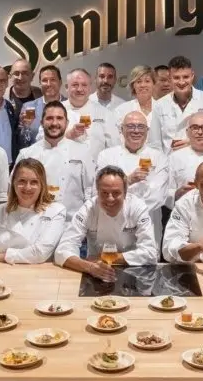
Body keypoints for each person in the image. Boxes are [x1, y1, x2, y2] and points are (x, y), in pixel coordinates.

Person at [55, 166, 159, 281]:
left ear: (125, 193)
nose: (110, 199)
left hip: (133, 273)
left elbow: (150, 253)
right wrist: (89, 267)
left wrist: (106, 257)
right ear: (97, 192)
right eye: (104, 193)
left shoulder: (137, 207)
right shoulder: (88, 209)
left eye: (116, 193)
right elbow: (62, 250)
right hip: (95, 272)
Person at [96, 111, 168, 242]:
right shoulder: (106, 156)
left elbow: (158, 197)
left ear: (147, 130)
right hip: (113, 227)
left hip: (147, 228)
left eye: (141, 127)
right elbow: (100, 192)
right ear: (121, 129)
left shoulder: (159, 157)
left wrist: (119, 198)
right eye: (130, 126)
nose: (136, 131)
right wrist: (127, 180)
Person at [16, 102, 95, 220]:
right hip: (35, 222)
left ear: (67, 123)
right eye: (49, 118)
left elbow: (91, 191)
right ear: (42, 123)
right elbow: (15, 190)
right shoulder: (27, 154)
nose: (54, 123)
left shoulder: (83, 152)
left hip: (72, 225)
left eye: (59, 118)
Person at [0, 159, 68, 264]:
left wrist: (4, 257)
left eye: (34, 182)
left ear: (42, 185)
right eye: (22, 181)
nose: (27, 187)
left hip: (37, 276)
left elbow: (40, 253)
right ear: (13, 183)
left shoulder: (56, 211)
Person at [153, 55, 203, 153]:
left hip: (202, 161)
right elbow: (154, 144)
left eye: (185, 77)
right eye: (176, 77)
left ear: (192, 76)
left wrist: (194, 143)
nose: (181, 82)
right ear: (170, 78)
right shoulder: (160, 105)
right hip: (171, 164)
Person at [37, 68, 110, 160]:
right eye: (75, 85)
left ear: (90, 88)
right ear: (67, 87)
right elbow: (40, 141)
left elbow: (114, 147)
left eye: (84, 85)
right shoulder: (53, 110)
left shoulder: (105, 113)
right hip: (60, 168)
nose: (80, 89)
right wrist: (68, 135)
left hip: (96, 170)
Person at [105, 65, 163, 150]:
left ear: (153, 84)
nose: (143, 85)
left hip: (156, 158)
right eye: (138, 82)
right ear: (133, 86)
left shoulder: (162, 108)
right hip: (128, 158)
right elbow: (114, 139)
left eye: (147, 81)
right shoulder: (121, 110)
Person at [19, 65, 66, 148]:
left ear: (60, 82)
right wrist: (25, 128)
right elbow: (23, 142)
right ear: (40, 83)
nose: (48, 84)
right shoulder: (29, 107)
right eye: (44, 80)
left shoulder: (68, 105)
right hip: (36, 157)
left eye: (53, 80)